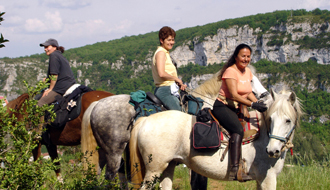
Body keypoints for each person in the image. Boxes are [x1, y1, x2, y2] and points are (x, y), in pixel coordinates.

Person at [211, 43, 267, 181]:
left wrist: (259, 105)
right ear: (236, 56)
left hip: (236, 107)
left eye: (248, 56)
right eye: (243, 56)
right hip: (223, 106)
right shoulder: (230, 71)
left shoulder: (247, 72)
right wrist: (253, 104)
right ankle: (235, 170)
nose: (246, 59)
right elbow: (235, 95)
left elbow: (248, 93)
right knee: (238, 130)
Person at [151, 26, 187, 111]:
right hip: (164, 91)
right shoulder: (161, 53)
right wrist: (176, 79)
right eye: (169, 40)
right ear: (161, 40)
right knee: (180, 115)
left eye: (173, 40)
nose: (172, 42)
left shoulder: (165, 53)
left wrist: (177, 83)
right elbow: (161, 73)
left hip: (169, 89)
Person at [38, 38, 76, 107]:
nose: (45, 49)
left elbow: (54, 75)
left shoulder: (53, 55)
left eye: (47, 47)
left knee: (40, 104)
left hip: (61, 88)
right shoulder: (60, 55)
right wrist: (47, 79)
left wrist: (50, 89)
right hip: (69, 84)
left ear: (54, 47)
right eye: (44, 47)